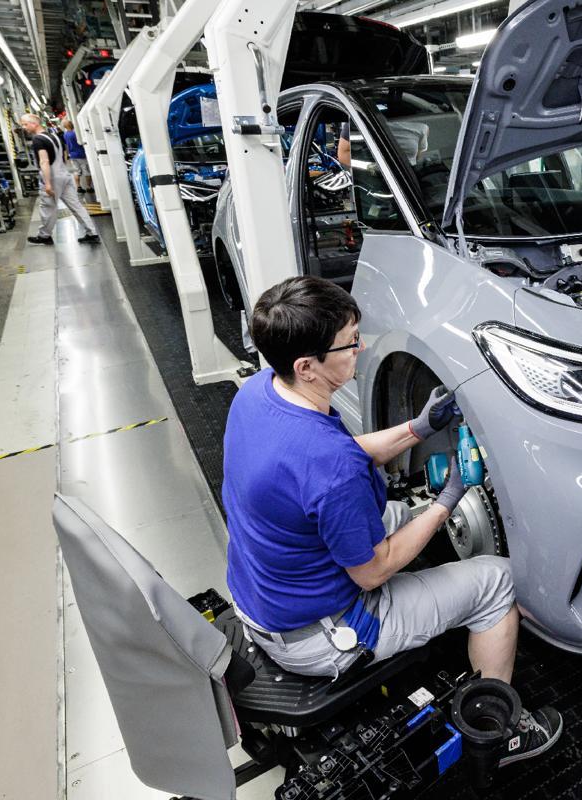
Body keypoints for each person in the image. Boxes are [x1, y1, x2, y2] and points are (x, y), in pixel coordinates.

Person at [222, 276, 563, 765]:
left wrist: (415, 429)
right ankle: (496, 730)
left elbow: (333, 460)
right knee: (497, 581)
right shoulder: (328, 466)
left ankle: (443, 600)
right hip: (322, 637)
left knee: (401, 513)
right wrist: (448, 500)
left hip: (263, 601)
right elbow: (373, 571)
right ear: (307, 366)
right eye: (349, 344)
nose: (359, 349)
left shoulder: (260, 393)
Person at [20, 113, 99, 246]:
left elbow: (44, 161)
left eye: (25, 124)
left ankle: (44, 235)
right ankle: (92, 232)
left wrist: (48, 183)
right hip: (64, 173)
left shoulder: (38, 140)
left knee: (48, 207)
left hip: (52, 176)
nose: (23, 127)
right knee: (76, 205)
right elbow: (63, 154)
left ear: (34, 123)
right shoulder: (54, 136)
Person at [61, 118, 91, 194]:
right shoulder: (75, 134)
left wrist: (67, 155)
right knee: (86, 170)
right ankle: (89, 187)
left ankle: (78, 187)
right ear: (70, 125)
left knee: (77, 172)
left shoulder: (65, 135)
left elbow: (66, 145)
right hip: (81, 154)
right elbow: (81, 142)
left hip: (73, 155)